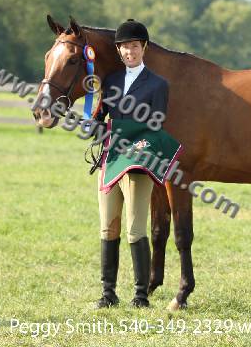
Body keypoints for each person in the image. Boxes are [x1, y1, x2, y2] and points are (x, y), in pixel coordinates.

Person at [93, 18, 169, 308]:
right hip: (110, 161)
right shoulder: (111, 82)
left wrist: (130, 145)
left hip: (138, 164)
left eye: (134, 46)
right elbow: (101, 117)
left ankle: (140, 295)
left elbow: (155, 126)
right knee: (107, 228)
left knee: (135, 230)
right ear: (119, 50)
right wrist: (93, 125)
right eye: (124, 47)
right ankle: (108, 293)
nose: (129, 51)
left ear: (143, 47)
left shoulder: (158, 85)